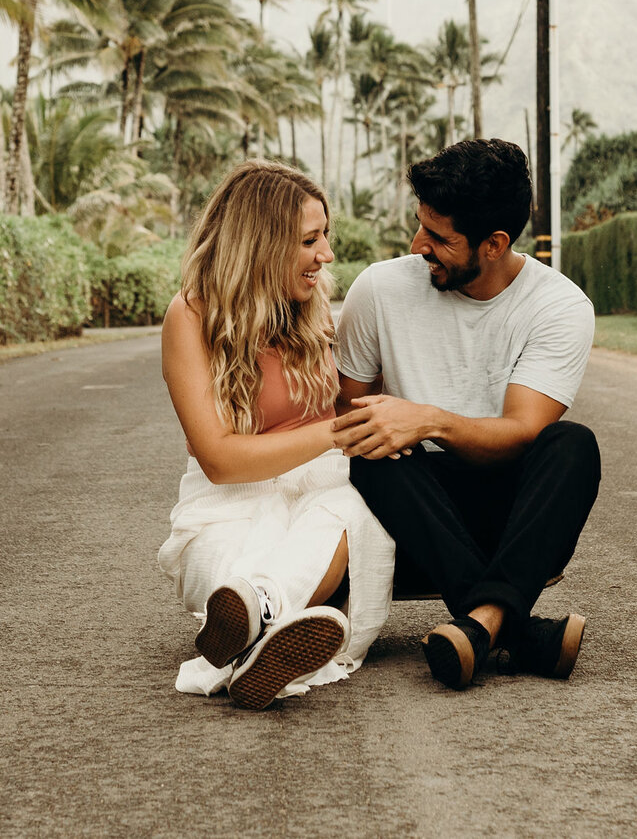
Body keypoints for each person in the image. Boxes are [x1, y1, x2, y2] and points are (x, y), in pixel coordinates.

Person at [333, 138, 602, 690]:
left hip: (512, 526)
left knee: (572, 444)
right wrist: (401, 428)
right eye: (420, 226)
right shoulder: (379, 289)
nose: (418, 244)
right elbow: (345, 419)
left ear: (494, 243)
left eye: (439, 237)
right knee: (370, 451)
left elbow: (524, 431)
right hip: (406, 518)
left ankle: (480, 625)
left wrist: (429, 420)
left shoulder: (559, 306)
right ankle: (506, 627)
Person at [157, 161, 395, 710]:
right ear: (261, 244)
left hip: (321, 493)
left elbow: (360, 403)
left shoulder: (314, 313)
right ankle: (260, 630)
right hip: (227, 501)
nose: (326, 255)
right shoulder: (191, 316)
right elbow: (219, 460)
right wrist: (335, 432)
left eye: (325, 238)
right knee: (234, 578)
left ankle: (260, 621)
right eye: (310, 241)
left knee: (347, 508)